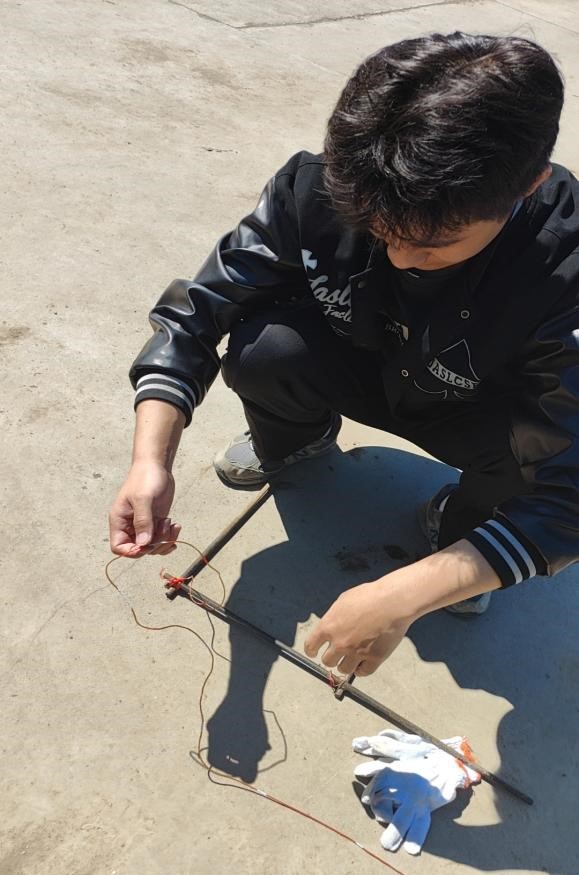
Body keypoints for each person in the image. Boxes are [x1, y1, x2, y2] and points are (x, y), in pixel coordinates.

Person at [109, 32, 579, 678]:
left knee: (528, 480)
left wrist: (406, 593)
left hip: (481, 414)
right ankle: (296, 444)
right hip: (368, 356)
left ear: (528, 186)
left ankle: (463, 524)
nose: (399, 258)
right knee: (262, 347)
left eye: (433, 243)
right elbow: (199, 309)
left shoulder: (567, 263)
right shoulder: (319, 184)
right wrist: (149, 461)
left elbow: (571, 497)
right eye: (379, 230)